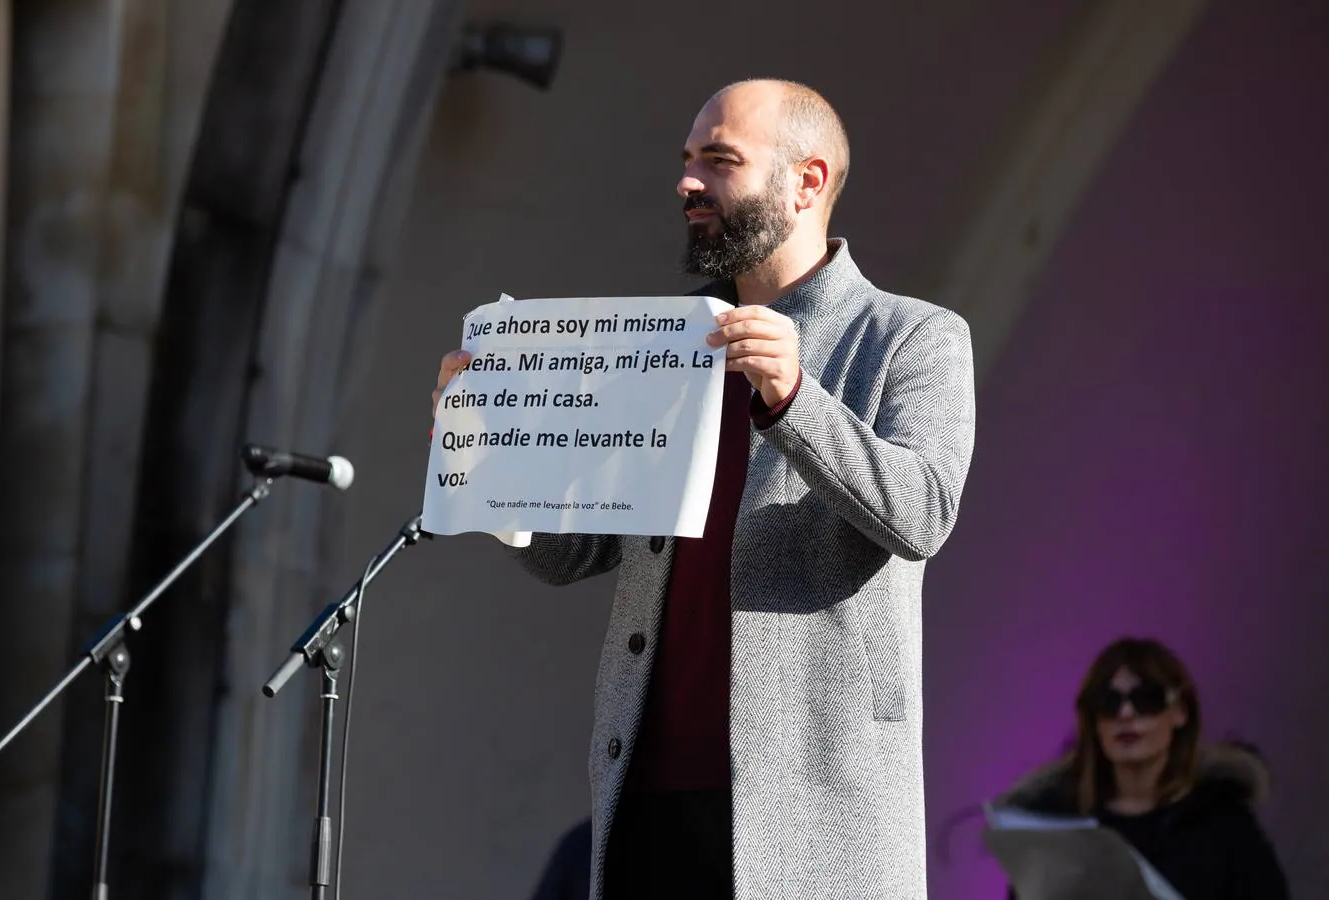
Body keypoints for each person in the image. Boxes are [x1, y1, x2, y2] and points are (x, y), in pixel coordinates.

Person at [432, 78, 977, 899]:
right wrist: (489, 458)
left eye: (719, 161)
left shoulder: (910, 336)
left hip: (811, 808)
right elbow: (575, 551)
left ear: (809, 181)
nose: (688, 183)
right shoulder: (668, 339)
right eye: (687, 161)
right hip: (650, 795)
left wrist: (796, 398)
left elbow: (923, 512)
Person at [993, 637, 1291, 899]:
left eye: (1147, 699)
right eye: (1109, 702)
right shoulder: (1054, 826)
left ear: (1180, 712)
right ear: (1093, 722)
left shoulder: (1224, 825)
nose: (1126, 714)